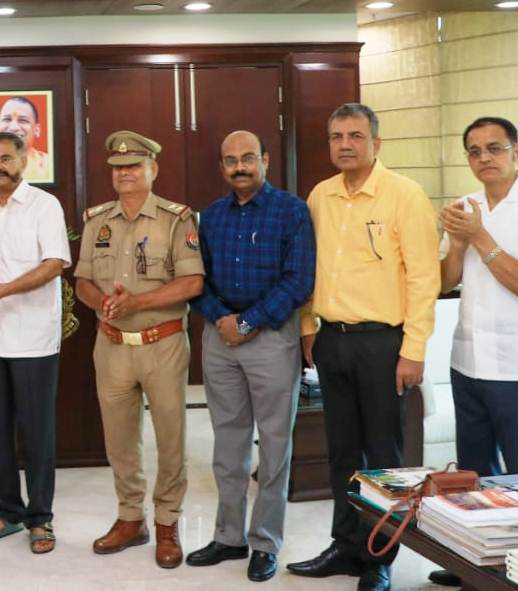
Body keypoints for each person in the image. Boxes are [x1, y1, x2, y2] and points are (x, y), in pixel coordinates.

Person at [285, 103, 440, 591]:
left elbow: (424, 278)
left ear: (376, 142)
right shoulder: (320, 195)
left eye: (355, 135)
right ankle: (345, 545)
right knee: (341, 452)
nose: (345, 144)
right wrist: (308, 327)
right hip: (333, 340)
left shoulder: (404, 195)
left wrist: (414, 348)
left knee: (384, 458)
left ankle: (379, 557)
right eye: (336, 137)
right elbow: (310, 268)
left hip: (383, 344)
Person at [429, 117, 518, 588]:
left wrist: (480, 237)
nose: (484, 158)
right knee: (474, 476)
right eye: (474, 150)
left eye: (494, 148)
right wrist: (458, 242)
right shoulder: (467, 207)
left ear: (517, 152)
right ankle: (475, 567)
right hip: (467, 360)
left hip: (517, 366)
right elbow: (445, 281)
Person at [187, 131, 315, 582]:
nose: (239, 167)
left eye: (247, 158)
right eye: (230, 160)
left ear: (265, 160)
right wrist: (224, 319)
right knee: (228, 443)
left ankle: (264, 542)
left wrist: (248, 322)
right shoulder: (211, 217)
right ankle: (228, 537)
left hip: (272, 338)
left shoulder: (292, 211)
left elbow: (299, 280)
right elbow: (196, 279)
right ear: (222, 167)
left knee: (274, 445)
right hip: (220, 337)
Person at [74, 130, 204, 568]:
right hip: (111, 346)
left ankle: (167, 522)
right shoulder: (97, 220)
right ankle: (131, 518)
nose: (124, 173)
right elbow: (83, 282)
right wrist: (102, 303)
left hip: (162, 343)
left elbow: (192, 282)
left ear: (153, 169)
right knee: (119, 441)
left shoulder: (176, 219)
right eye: (118, 168)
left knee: (170, 438)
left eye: (133, 166)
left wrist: (137, 303)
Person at [0, 131, 70, 554]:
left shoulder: (45, 205)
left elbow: (54, 264)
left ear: (23, 161)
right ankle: (8, 512)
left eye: (6, 158)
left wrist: (4, 290)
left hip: (32, 338)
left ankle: (40, 518)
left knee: (36, 433)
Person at [0, 96, 51, 183]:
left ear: (37, 130)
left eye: (23, 120)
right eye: (7, 119)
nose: (13, 127)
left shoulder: (49, 165)